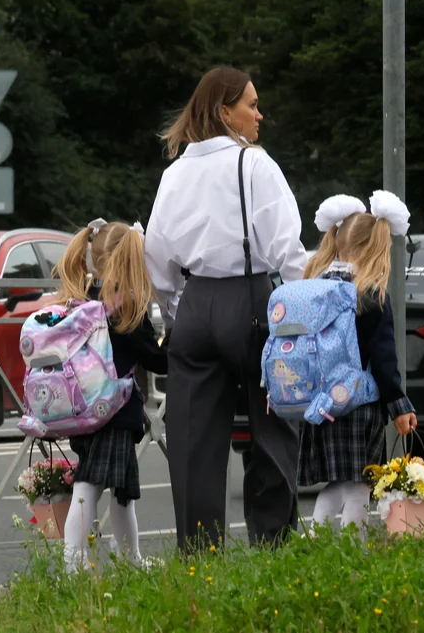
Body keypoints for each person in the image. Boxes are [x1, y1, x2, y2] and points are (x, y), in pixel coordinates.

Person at [146, 66, 310, 551]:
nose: (260, 115)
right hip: (252, 299)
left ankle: (198, 556)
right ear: (225, 112)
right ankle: (274, 547)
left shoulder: (174, 173)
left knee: (192, 440)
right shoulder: (255, 164)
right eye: (252, 105)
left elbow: (157, 259)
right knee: (274, 425)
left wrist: (178, 312)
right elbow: (288, 251)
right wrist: (306, 315)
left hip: (195, 306)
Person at [298, 192, 418, 533]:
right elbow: (383, 358)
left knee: (339, 482)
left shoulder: (314, 286)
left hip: (322, 403)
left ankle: (317, 540)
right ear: (374, 248)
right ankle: (355, 548)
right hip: (360, 403)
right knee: (361, 482)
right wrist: (399, 406)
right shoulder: (370, 294)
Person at [52, 220, 168, 570]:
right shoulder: (125, 308)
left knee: (122, 493)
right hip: (115, 413)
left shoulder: (82, 299)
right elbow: (158, 360)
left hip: (85, 409)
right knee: (88, 486)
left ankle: (130, 558)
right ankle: (72, 564)